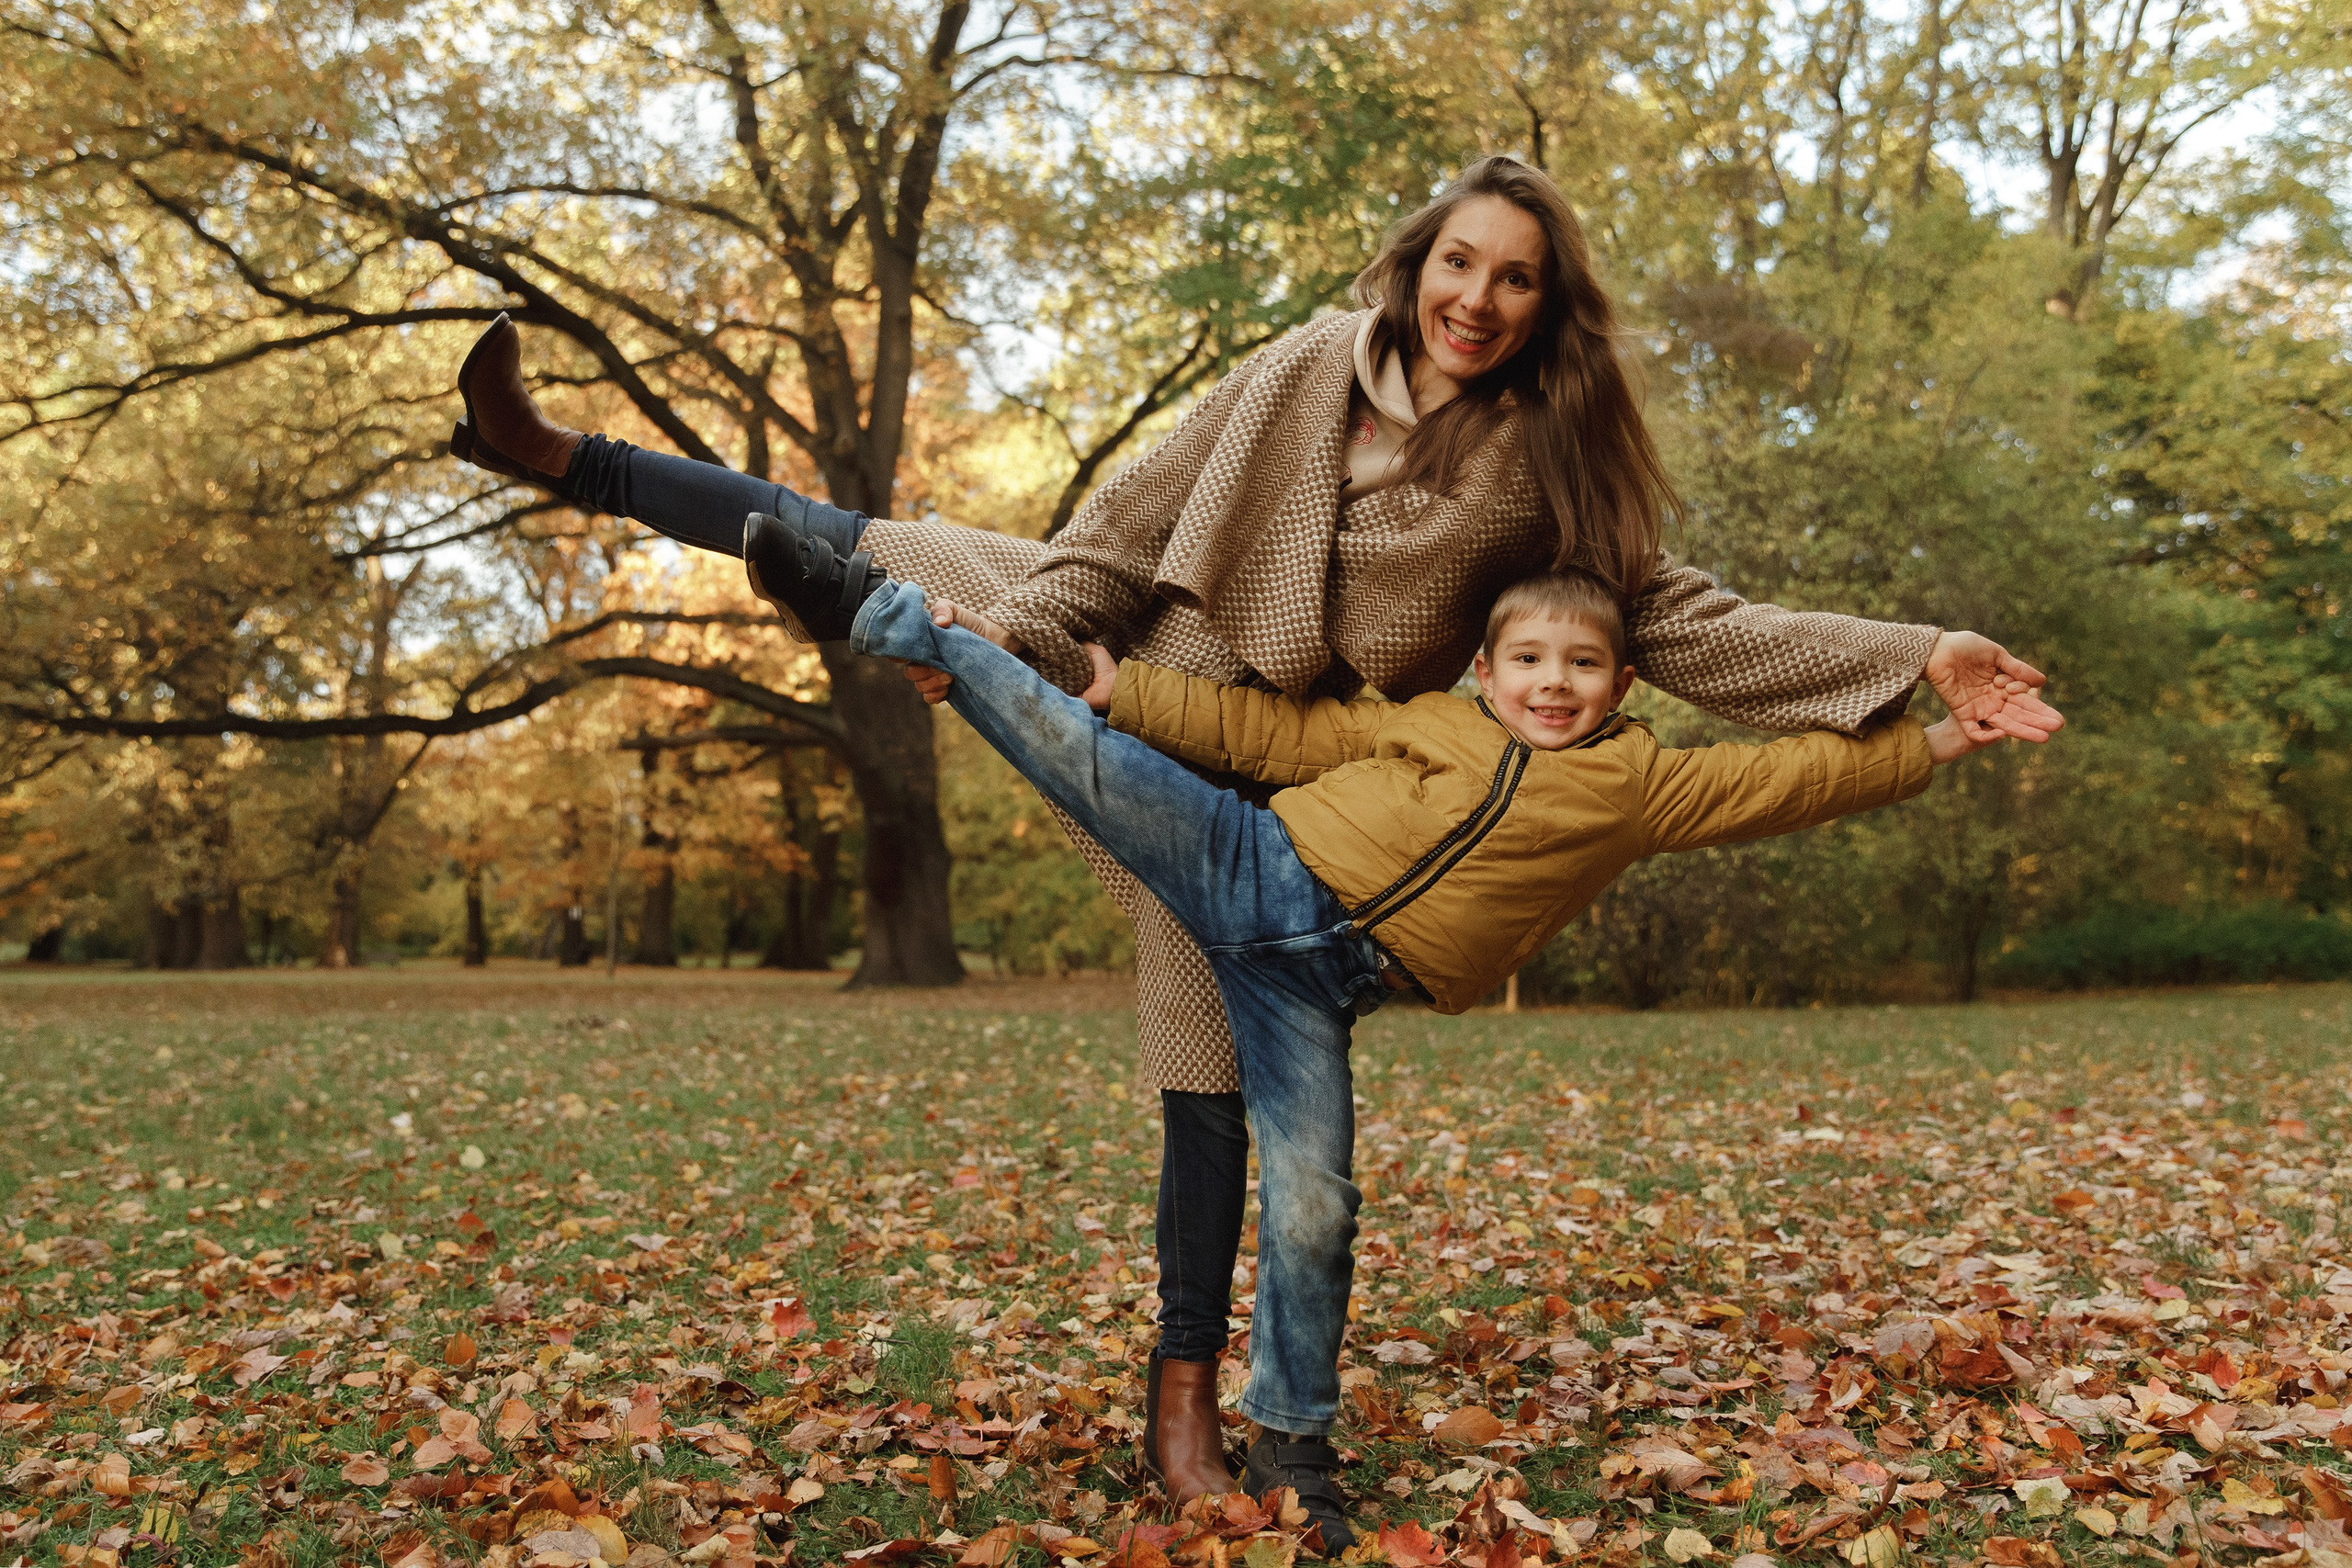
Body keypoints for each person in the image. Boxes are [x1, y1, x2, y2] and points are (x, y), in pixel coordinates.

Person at [445, 154, 2064, 1511]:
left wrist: (1911, 659)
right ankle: (566, 458)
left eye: (1517, 280)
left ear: (1546, 308)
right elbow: (1131, 517)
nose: (1478, 299)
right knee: (911, 546)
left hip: (1290, 787)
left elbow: (1680, 626)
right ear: (1417, 262)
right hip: (1153, 662)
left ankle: (1187, 1405)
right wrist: (1053, 637)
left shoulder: (1548, 461)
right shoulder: (1305, 360)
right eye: (1459, 263)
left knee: (1203, 1068)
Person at [741, 513, 2001, 1544]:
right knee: (1066, 742)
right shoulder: (1433, 721)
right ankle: (878, 609)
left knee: (1317, 1204)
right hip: (1243, 860)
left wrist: (1937, 737)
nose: (1551, 687)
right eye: (1529, 664)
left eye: (1578, 669)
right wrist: (1128, 684)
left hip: (1316, 991)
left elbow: (1796, 778)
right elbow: (1275, 733)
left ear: (1619, 684)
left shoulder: (1642, 784)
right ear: (1486, 671)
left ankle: (1294, 1447)